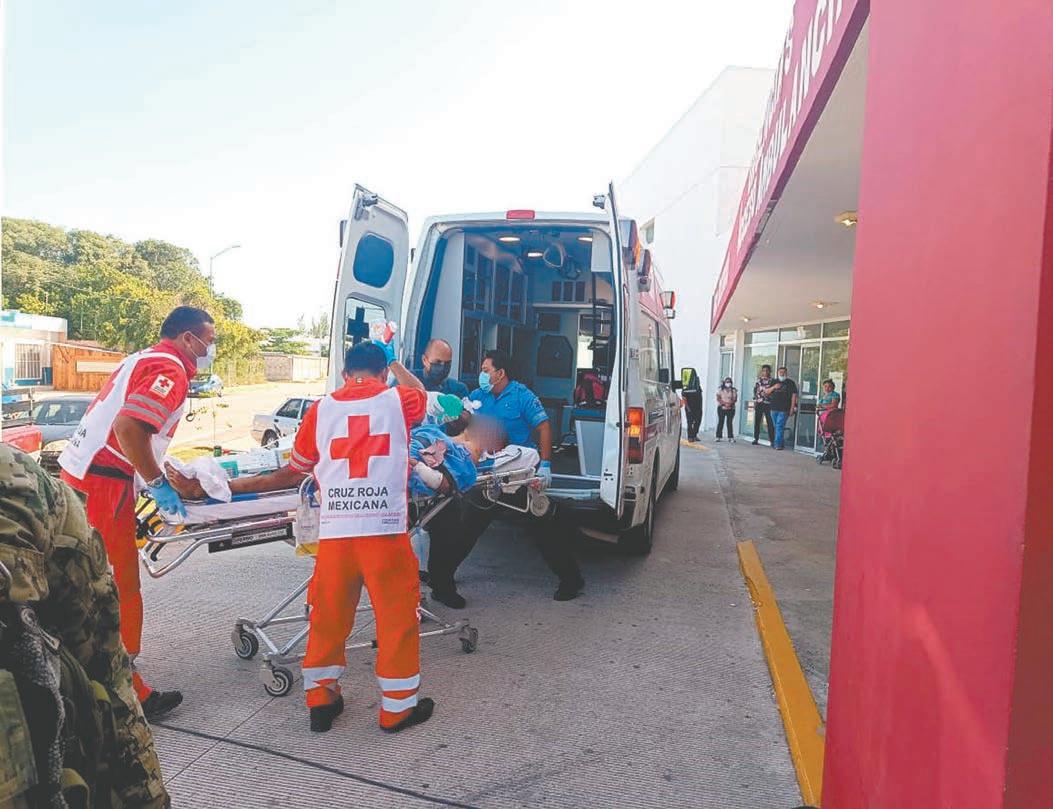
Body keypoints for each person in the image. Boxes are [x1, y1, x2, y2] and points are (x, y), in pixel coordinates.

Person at [212, 341, 433, 734]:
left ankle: (321, 701)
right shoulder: (398, 399)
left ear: (345, 374)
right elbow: (420, 391)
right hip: (384, 531)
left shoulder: (320, 409)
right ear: (383, 373)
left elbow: (298, 467)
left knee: (328, 617)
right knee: (396, 619)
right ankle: (397, 709)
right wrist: (397, 362)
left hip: (336, 533)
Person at [58, 305, 216, 718]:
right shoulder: (171, 370)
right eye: (209, 342)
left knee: (101, 582)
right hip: (103, 484)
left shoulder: (142, 358)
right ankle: (129, 691)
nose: (210, 351)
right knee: (112, 588)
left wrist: (155, 474)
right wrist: (158, 483)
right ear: (188, 339)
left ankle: (120, 670)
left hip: (84, 474)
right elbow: (129, 428)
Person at [1, 445, 170, 807]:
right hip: (93, 484)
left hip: (66, 527)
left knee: (104, 690)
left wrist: (159, 483)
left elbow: (129, 428)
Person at [426, 349, 585, 604]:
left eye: (485, 370)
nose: (481, 375)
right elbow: (463, 423)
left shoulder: (521, 396)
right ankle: (442, 582)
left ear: (500, 373)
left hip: (518, 472)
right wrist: (452, 415)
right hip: (489, 472)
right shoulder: (478, 396)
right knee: (468, 527)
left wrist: (545, 465)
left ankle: (571, 580)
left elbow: (544, 427)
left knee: (542, 528)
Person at [764, 365, 799, 451]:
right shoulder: (774, 381)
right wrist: (774, 387)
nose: (782, 374)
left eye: (784, 372)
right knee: (776, 426)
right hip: (774, 407)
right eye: (780, 372)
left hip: (785, 408)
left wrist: (792, 408)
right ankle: (781, 442)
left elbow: (794, 396)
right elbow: (767, 392)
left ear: (786, 373)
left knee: (779, 425)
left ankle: (777, 444)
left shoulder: (790, 383)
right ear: (778, 373)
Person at [752, 364, 776, 446]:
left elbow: (774, 392)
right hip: (759, 403)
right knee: (757, 421)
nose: (765, 372)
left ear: (770, 371)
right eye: (763, 370)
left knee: (770, 422)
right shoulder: (758, 381)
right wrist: (756, 400)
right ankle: (756, 438)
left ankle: (772, 440)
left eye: (767, 370)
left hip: (768, 404)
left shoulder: (772, 381)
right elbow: (755, 391)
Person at [681, 368, 703, 441]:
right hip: (689, 407)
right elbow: (684, 398)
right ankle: (690, 437)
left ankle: (694, 435)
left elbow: (700, 396)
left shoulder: (697, 386)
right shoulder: (685, 388)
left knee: (698, 422)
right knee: (690, 422)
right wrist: (687, 407)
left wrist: (700, 408)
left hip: (698, 407)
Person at [715, 377, 738, 443]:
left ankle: (730, 437)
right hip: (721, 408)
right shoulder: (720, 389)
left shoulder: (733, 390)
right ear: (724, 382)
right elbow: (718, 398)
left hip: (731, 408)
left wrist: (729, 404)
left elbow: (735, 399)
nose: (728, 383)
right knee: (721, 422)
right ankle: (718, 437)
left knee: (729, 423)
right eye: (727, 382)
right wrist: (724, 404)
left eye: (729, 382)